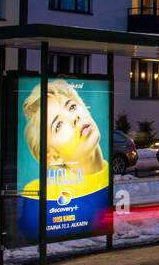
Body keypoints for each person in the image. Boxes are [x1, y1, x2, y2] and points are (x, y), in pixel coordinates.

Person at [17, 78, 110, 241]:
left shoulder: (109, 180)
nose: (75, 118)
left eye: (72, 107)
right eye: (58, 125)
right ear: (52, 156)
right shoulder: (40, 192)